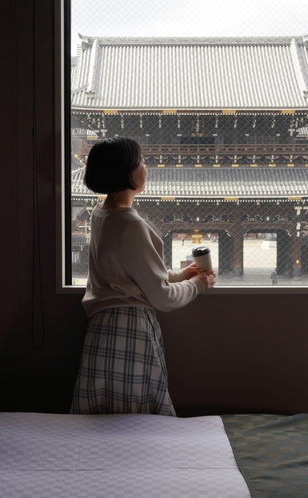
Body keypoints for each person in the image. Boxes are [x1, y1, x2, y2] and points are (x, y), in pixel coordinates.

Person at [70, 137, 216, 417]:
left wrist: (181, 275)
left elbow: (128, 275)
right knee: (134, 421)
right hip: (131, 330)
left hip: (102, 330)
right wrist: (198, 283)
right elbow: (161, 297)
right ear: (124, 170)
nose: (145, 168)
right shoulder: (130, 223)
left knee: (101, 422)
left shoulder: (101, 214)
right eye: (141, 161)